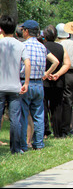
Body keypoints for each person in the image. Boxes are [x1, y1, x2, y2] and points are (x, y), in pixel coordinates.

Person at [20, 20, 59, 151]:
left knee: (24, 114)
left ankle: (24, 144)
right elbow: (55, 61)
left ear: (26, 31)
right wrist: (46, 73)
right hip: (39, 83)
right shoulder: (42, 47)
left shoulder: (23, 46)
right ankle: (39, 143)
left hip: (25, 82)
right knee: (38, 115)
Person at [0, 15, 31, 154]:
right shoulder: (20, 44)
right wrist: (27, 83)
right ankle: (16, 148)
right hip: (15, 86)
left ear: (1, 29)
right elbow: (27, 63)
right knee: (15, 120)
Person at [42, 25, 71, 138]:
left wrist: (47, 73)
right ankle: (58, 132)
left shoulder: (42, 47)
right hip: (58, 81)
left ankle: (45, 131)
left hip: (44, 80)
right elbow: (67, 64)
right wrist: (57, 74)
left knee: (43, 106)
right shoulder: (61, 47)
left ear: (44, 36)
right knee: (57, 107)